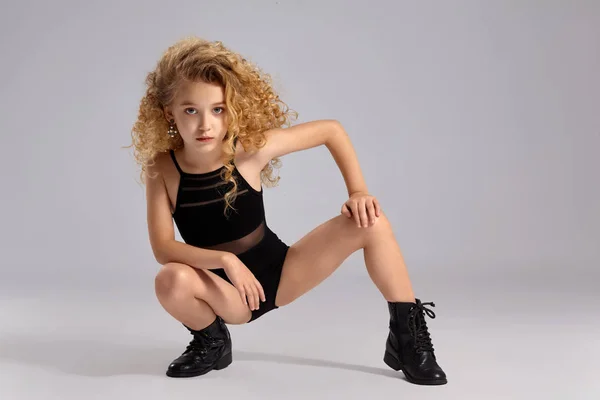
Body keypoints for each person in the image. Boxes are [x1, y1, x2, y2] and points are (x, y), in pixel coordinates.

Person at [128, 36, 447, 385]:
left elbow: (331, 131)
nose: (205, 124)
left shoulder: (248, 150)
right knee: (170, 280)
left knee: (371, 221)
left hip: (281, 273)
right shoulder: (162, 168)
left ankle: (407, 339)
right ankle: (212, 340)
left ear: (231, 109)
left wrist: (358, 192)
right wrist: (227, 262)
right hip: (225, 292)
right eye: (191, 110)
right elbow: (163, 248)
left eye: (217, 109)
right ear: (168, 113)